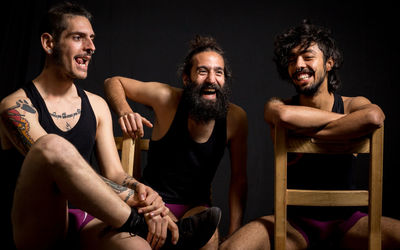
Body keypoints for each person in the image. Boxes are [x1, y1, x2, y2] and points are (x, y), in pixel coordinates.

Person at [0, 2, 221, 249]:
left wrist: (143, 192)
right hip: (35, 222)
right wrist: (132, 201)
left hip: (86, 217)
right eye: (78, 37)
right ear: (49, 43)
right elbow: (55, 169)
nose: (91, 47)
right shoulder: (15, 107)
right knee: (52, 146)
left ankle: (144, 227)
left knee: (137, 247)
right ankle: (137, 223)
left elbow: (115, 174)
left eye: (92, 39)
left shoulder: (96, 105)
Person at [220, 20, 400, 249]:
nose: (298, 65)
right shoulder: (278, 106)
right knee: (231, 248)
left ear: (329, 63)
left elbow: (374, 117)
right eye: (292, 59)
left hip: (348, 220)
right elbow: (283, 116)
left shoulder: (353, 104)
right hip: (294, 222)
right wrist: (346, 127)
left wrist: (311, 134)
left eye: (307, 56)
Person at [104, 35, 248, 249]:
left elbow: (238, 179)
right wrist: (125, 112)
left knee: (210, 238)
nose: (211, 79)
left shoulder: (236, 118)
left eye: (218, 72)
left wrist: (234, 233)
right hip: (151, 203)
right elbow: (113, 82)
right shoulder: (166, 98)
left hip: (195, 208)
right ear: (186, 78)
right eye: (202, 71)